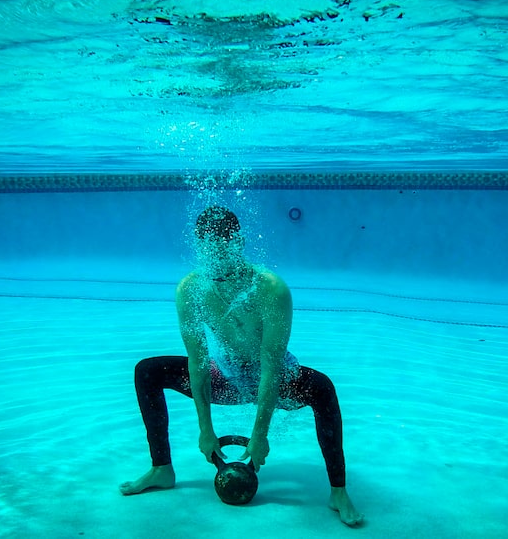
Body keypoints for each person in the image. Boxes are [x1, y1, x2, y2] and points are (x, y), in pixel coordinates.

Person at [119, 206, 363, 526]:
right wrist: (206, 430)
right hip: (226, 378)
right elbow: (198, 361)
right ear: (199, 247)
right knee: (148, 370)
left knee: (322, 389)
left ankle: (338, 491)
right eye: (208, 249)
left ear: (240, 243)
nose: (216, 259)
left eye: (223, 247)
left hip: (274, 379)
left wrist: (259, 434)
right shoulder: (190, 290)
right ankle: (161, 469)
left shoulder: (270, 289)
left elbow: (272, 366)